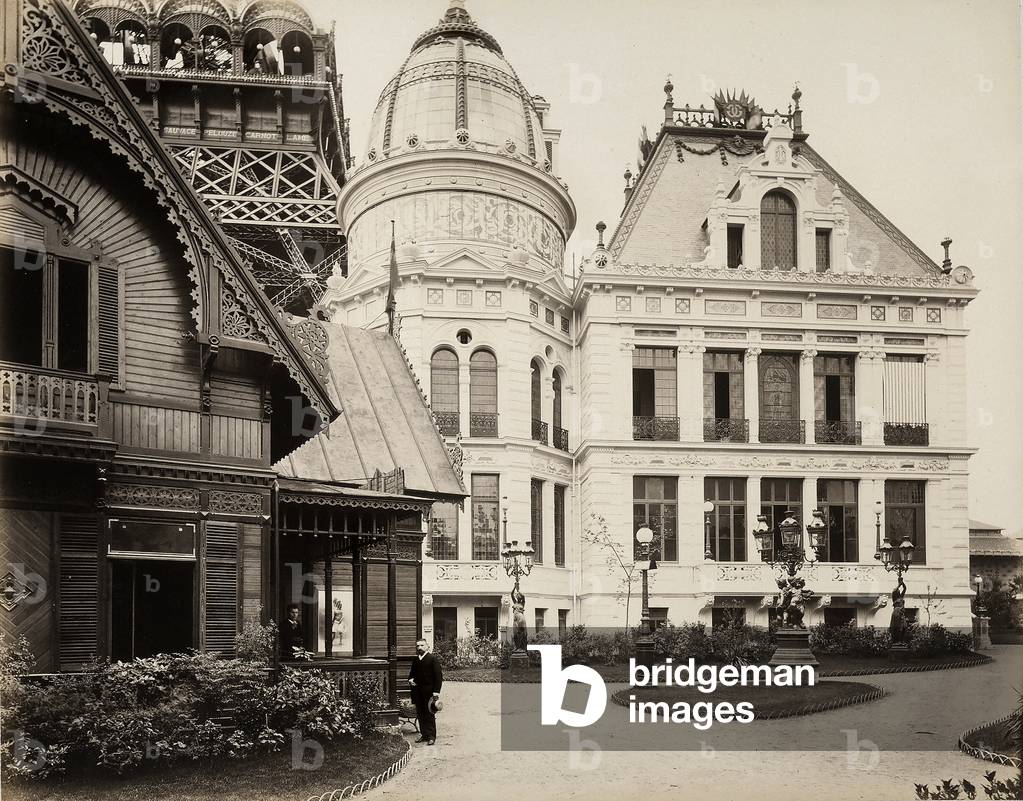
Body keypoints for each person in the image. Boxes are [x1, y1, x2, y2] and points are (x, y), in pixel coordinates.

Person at [408, 638, 443, 745]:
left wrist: (436, 691)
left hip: (429, 692)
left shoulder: (432, 659)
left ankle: (432, 736)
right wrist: (410, 680)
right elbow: (411, 674)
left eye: (422, 645)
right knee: (420, 714)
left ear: (427, 646)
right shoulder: (416, 660)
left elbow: (438, 676)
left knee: (429, 714)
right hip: (418, 692)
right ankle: (424, 735)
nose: (419, 648)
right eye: (417, 646)